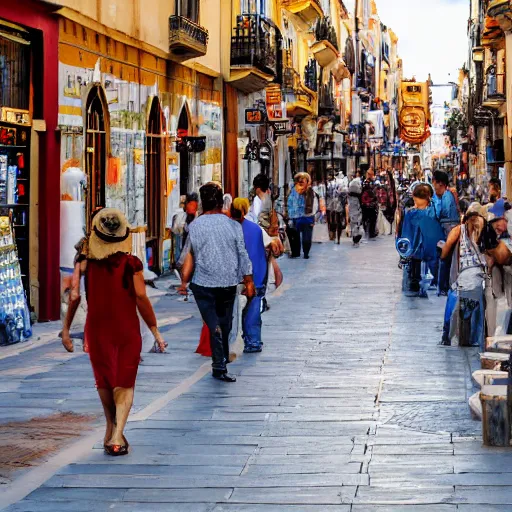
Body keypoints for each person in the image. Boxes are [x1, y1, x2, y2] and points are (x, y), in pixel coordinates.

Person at [62, 208, 166, 456]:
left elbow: (74, 296)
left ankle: (111, 428)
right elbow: (140, 296)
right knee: (125, 380)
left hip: (97, 327)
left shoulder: (85, 261)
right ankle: (117, 433)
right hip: (126, 327)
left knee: (105, 378)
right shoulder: (131, 263)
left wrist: (65, 329)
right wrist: (155, 329)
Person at [179, 183, 255, 382]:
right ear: (222, 202)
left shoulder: (195, 226)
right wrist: (248, 280)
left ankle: (219, 363)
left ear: (203, 203)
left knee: (213, 323)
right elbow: (242, 252)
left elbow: (188, 256)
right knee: (226, 322)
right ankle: (219, 364)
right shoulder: (233, 225)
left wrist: (184, 282)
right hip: (227, 282)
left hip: (203, 283)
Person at [231, 198, 267, 353]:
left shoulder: (228, 228)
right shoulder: (255, 229)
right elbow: (259, 254)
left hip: (233, 277)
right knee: (252, 310)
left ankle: (233, 342)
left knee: (233, 313)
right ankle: (253, 341)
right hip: (255, 276)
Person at [432, 171, 460, 295]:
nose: (434, 187)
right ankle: (442, 285)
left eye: (434, 184)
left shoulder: (446, 196)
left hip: (448, 229)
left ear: (441, 184)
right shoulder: (445, 195)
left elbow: (441, 213)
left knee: (445, 256)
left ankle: (443, 286)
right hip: (448, 228)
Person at [287, 172, 318, 259]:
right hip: (296, 217)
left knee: (307, 238)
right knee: (295, 236)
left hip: (308, 217)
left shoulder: (311, 192)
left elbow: (315, 205)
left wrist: (313, 216)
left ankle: (306, 252)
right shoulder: (293, 191)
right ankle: (295, 252)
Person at [361, 169, 379, 239]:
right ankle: (369, 232)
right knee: (368, 218)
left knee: (372, 219)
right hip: (367, 203)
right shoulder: (365, 183)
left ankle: (371, 232)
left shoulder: (371, 182)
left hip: (370, 204)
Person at [347, 177, 364, 246]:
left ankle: (355, 237)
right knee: (358, 223)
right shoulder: (358, 197)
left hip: (353, 211)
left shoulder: (350, 196)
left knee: (354, 223)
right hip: (357, 210)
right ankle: (356, 237)